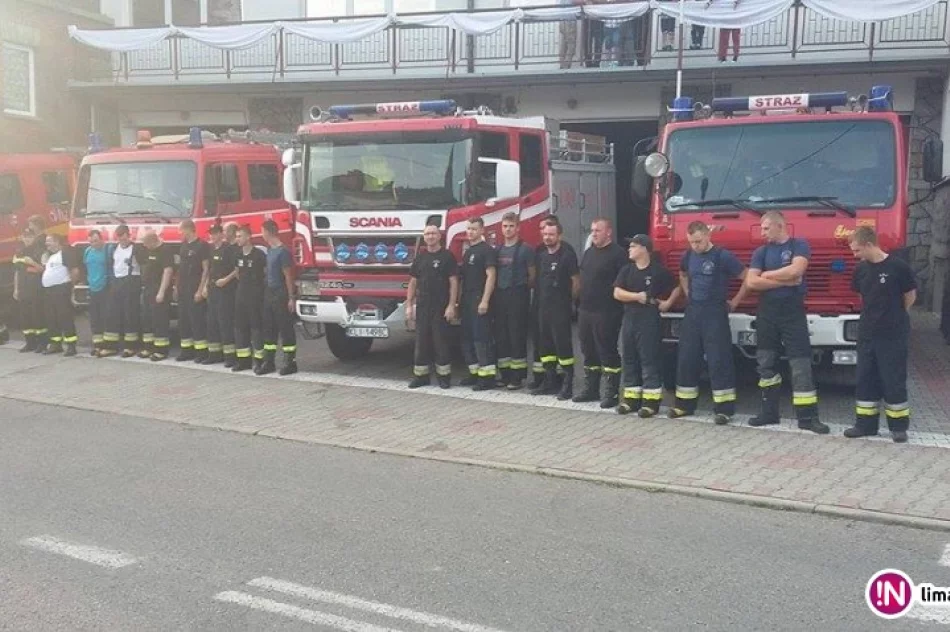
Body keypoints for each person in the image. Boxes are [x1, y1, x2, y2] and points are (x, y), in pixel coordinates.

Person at [745, 211, 829, 434]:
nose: (762, 232)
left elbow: (798, 270)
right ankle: (768, 413)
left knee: (800, 364)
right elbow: (752, 282)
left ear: (779, 226)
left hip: (793, 312)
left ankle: (808, 418)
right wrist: (785, 280)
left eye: (765, 228)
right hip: (767, 312)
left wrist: (768, 276)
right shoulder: (760, 251)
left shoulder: (799, 245)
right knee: (765, 363)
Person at [668, 221, 748, 424]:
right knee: (687, 357)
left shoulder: (722, 256)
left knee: (718, 359)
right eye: (692, 242)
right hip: (694, 311)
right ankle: (684, 405)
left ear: (708, 236)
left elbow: (747, 277)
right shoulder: (688, 256)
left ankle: (724, 409)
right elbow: (683, 273)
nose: (695, 246)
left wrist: (735, 302)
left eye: (698, 241)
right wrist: (687, 293)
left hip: (715, 311)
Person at [845, 227, 917, 443]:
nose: (854, 255)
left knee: (893, 379)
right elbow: (862, 296)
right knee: (866, 378)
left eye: (857, 250)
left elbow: (910, 296)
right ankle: (865, 425)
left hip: (893, 333)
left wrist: (894, 316)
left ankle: (898, 427)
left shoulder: (898, 267)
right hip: (867, 332)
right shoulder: (861, 270)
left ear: (869, 245)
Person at [613, 235, 674, 415]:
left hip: (649, 320)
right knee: (629, 358)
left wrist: (668, 302)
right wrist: (637, 296)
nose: (629, 249)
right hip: (630, 319)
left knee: (649, 360)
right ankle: (631, 400)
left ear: (645, 249)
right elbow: (617, 292)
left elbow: (677, 285)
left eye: (633, 246)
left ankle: (651, 402)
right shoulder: (626, 270)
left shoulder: (658, 271)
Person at [574, 218, 627, 408]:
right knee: (588, 350)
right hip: (586, 310)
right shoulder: (588, 253)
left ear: (608, 233)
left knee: (607, 351)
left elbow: (623, 281)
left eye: (598, 230)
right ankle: (591, 389)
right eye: (592, 230)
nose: (594, 234)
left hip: (607, 312)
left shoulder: (618, 255)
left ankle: (611, 392)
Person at [532, 219, 580, 400]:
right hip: (543, 308)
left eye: (551, 234)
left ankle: (567, 384)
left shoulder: (567, 255)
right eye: (545, 234)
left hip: (560, 309)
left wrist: (570, 302)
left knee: (563, 347)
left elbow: (576, 281)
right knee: (545, 347)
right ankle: (549, 381)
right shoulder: (542, 255)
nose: (547, 238)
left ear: (559, 235)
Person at [407, 223, 458, 389]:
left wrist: (451, 305)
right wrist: (409, 305)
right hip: (422, 305)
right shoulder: (420, 257)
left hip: (440, 305)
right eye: (427, 234)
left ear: (439, 236)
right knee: (421, 342)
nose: (430, 237)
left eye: (433, 234)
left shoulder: (447, 257)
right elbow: (413, 282)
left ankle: (444, 378)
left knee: (440, 342)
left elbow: (454, 282)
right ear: (424, 237)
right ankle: (421, 377)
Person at [493, 212, 535, 390]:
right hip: (500, 296)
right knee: (501, 336)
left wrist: (524, 290)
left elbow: (532, 274)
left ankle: (517, 377)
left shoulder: (526, 249)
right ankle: (505, 374)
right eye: (505, 226)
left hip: (518, 295)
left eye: (511, 226)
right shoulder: (498, 250)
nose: (508, 229)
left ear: (518, 228)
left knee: (516, 336)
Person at [459, 217, 498, 391]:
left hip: (479, 299)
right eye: (468, 229)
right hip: (467, 300)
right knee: (467, 338)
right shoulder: (468, 252)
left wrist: (485, 300)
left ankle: (487, 377)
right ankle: (474, 373)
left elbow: (491, 275)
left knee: (481, 339)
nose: (470, 232)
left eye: (474, 229)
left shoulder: (486, 250)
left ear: (482, 230)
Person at [260, 219, 297, 376]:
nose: (262, 234)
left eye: (262, 231)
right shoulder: (269, 251)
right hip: (269, 292)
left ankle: (290, 362)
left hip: (281, 293)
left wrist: (291, 297)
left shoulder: (283, 252)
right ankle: (269, 361)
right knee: (269, 327)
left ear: (268, 232)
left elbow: (288, 275)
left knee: (285, 327)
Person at [102, 224, 142, 358]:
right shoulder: (113, 248)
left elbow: (143, 265)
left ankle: (131, 347)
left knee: (129, 315)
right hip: (117, 282)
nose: (121, 239)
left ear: (128, 235)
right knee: (112, 314)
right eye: (119, 236)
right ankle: (111, 346)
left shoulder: (136, 248)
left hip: (131, 282)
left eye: (123, 236)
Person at [232, 225, 266, 373]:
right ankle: (243, 360)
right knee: (240, 327)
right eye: (237, 236)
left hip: (255, 296)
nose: (237, 239)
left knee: (256, 328)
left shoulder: (258, 255)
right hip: (241, 295)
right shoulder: (238, 254)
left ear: (248, 237)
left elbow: (265, 273)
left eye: (240, 236)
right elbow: (238, 273)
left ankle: (259, 360)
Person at [137, 230, 174, 361]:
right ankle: (148, 347)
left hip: (159, 290)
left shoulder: (165, 251)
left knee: (160, 320)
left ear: (153, 241)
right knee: (147, 319)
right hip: (148, 289)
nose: (145, 246)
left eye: (146, 244)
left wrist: (162, 291)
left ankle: (161, 350)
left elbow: (168, 271)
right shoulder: (149, 250)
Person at [176, 220, 210, 363]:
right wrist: (176, 287)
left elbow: (206, 269)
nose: (180, 233)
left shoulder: (202, 246)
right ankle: (186, 351)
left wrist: (201, 289)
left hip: (195, 286)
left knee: (197, 320)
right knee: (184, 320)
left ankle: (201, 352)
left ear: (189, 229)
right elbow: (180, 268)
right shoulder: (183, 246)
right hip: (183, 288)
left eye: (181, 230)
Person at [204, 224, 238, 367]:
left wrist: (226, 280)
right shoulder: (211, 249)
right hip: (212, 288)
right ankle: (214, 354)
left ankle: (230, 357)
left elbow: (237, 269)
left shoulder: (228, 249)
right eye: (210, 233)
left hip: (225, 290)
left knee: (225, 322)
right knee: (212, 322)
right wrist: (205, 286)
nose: (212, 236)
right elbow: (209, 269)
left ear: (220, 235)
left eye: (215, 233)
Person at [41, 234, 79, 357]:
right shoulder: (51, 256)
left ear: (57, 242)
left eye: (49, 241)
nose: (47, 244)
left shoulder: (65, 253)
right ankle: (55, 344)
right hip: (49, 291)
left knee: (65, 317)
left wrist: (72, 287)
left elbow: (74, 271)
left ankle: (71, 346)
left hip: (61, 289)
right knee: (51, 317)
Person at [12, 227, 47, 353]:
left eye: (30, 236)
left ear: (34, 237)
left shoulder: (40, 251)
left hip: (36, 289)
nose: (27, 239)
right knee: (25, 317)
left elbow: (44, 270)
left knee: (38, 316)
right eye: (25, 236)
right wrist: (16, 289)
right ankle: (30, 342)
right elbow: (17, 271)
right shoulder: (19, 252)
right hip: (23, 289)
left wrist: (32, 263)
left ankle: (42, 343)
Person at [83, 230, 109, 356]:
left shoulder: (107, 250)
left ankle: (107, 345)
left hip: (105, 288)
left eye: (96, 241)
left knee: (106, 317)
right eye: (91, 242)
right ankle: (97, 345)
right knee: (94, 319)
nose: (94, 244)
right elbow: (86, 267)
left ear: (101, 239)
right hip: (92, 288)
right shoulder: (87, 251)